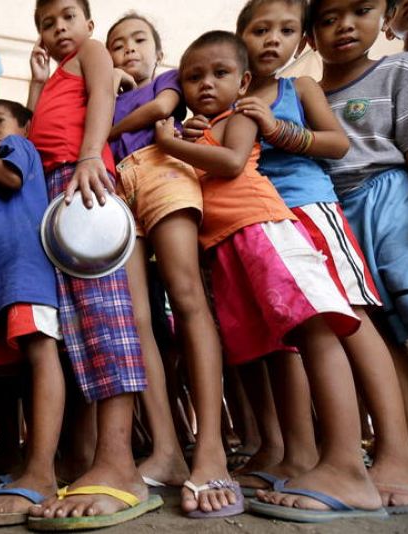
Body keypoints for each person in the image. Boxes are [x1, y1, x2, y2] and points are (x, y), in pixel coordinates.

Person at [155, 30, 386, 521]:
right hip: (230, 244)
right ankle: (301, 459)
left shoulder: (241, 117)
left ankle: (347, 466)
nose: (206, 84)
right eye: (193, 77)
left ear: (243, 83)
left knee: (315, 329)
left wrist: (172, 145)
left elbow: (231, 163)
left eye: (220, 73)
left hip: (263, 229)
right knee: (281, 346)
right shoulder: (206, 128)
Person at [232, 0, 408, 511]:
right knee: (335, 331)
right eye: (260, 30)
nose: (272, 39)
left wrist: (278, 130)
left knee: (358, 318)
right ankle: (339, 457)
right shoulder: (240, 98)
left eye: (285, 30)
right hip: (279, 221)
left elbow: (338, 144)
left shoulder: (299, 88)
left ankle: (395, 459)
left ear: (299, 41)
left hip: (323, 210)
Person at [23, 1, 163, 529]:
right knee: (78, 331)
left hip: (84, 183)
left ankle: (120, 465)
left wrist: (87, 157)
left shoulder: (94, 52)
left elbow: (103, 96)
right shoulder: (56, 75)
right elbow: (36, 133)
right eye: (46, 23)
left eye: (66, 16)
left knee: (107, 322)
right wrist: (37, 85)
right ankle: (93, 459)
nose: (58, 28)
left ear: (88, 24)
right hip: (53, 194)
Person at [308, 0, 408, 500]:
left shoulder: (399, 69)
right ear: (309, 36)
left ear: (385, 17)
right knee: (384, 334)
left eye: (360, 10)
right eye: (327, 19)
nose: (344, 25)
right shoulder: (306, 96)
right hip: (339, 213)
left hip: (391, 198)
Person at [106, 12, 234, 515]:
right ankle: (167, 451)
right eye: (116, 44)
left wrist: (108, 127)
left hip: (164, 169)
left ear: (159, 52)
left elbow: (161, 109)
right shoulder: (103, 94)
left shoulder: (166, 81)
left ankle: (211, 451)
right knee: (137, 318)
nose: (128, 49)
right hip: (117, 186)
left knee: (186, 297)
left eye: (139, 39)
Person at [0, 98, 65, 526]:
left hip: (26, 273)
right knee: (15, 373)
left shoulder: (17, 149)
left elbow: (11, 178)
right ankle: (25, 464)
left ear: (24, 126)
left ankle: (42, 473)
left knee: (41, 356)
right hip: (6, 281)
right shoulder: (0, 154)